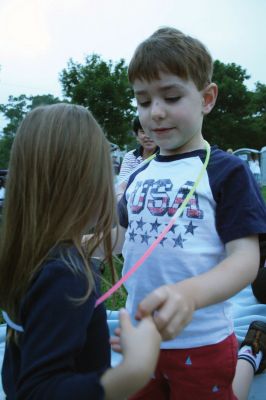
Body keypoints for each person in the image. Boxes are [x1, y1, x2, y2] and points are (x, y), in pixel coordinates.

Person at [115, 27, 266, 399]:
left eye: (170, 96)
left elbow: (246, 259)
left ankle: (250, 352)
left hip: (202, 342)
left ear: (207, 98)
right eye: (143, 101)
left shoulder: (226, 171)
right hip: (139, 341)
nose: (156, 112)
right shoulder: (139, 174)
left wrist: (192, 294)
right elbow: (118, 239)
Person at [0, 104, 161, 400]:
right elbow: (37, 391)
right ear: (83, 182)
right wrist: (134, 370)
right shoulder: (65, 275)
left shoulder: (30, 252)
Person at [118, 116, 158, 184]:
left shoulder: (167, 156)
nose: (148, 136)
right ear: (137, 136)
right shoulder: (130, 156)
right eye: (143, 132)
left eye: (152, 131)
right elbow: (123, 184)